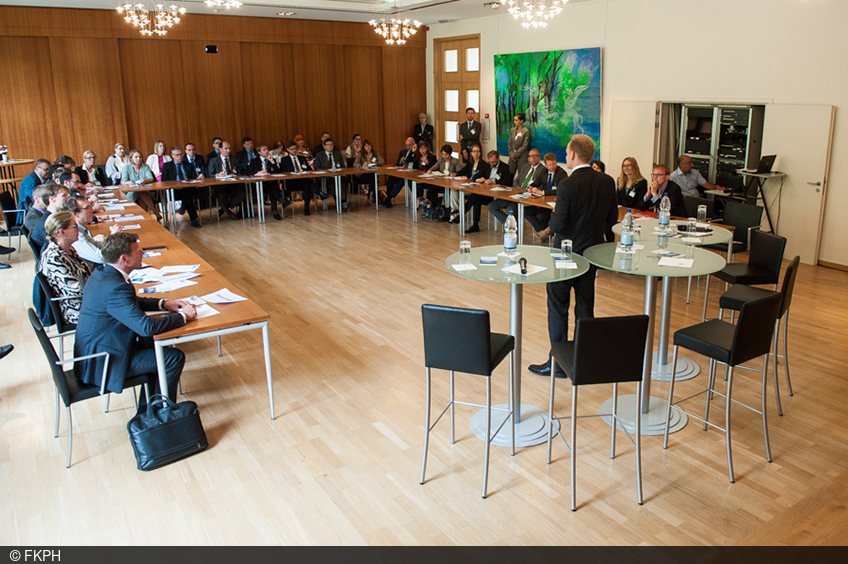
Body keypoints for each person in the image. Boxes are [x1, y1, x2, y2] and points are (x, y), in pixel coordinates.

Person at [73, 232, 197, 414]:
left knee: (158, 351)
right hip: (104, 361)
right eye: (138, 251)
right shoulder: (116, 287)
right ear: (124, 258)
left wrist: (163, 303)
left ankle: (150, 410)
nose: (142, 254)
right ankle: (162, 414)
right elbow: (146, 328)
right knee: (172, 357)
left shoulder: (102, 274)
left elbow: (129, 302)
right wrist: (183, 317)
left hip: (96, 352)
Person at [527, 134, 617, 377]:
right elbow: (612, 219)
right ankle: (583, 359)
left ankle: (557, 364)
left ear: (573, 155)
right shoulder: (607, 181)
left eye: (567, 153)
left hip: (565, 255)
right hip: (592, 254)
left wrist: (556, 214)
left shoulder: (567, 185)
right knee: (585, 307)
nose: (566, 157)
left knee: (558, 307)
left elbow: (559, 223)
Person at [38, 211, 91, 325]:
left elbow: (86, 274)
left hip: (87, 299)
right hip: (76, 308)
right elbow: (77, 288)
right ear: (62, 232)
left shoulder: (68, 249)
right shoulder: (53, 258)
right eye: (75, 226)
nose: (79, 230)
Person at [488, 148, 544, 224]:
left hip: (528, 197)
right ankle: (509, 224)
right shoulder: (525, 167)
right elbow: (516, 180)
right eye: (531, 156)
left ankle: (511, 227)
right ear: (528, 158)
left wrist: (529, 190)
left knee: (511, 208)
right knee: (491, 206)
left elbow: (541, 186)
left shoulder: (543, 170)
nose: (533, 158)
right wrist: (517, 187)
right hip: (516, 194)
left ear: (539, 158)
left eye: (535, 156)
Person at [65, 194, 121, 265]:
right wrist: (113, 238)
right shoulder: (76, 234)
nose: (92, 209)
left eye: (90, 206)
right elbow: (101, 258)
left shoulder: (82, 228)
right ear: (76, 214)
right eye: (87, 208)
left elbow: (96, 245)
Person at [527, 152, 568, 240]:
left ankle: (546, 233)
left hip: (553, 204)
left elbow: (560, 190)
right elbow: (536, 183)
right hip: (542, 202)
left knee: (542, 216)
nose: (553, 166)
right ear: (545, 165)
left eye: (554, 164)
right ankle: (544, 232)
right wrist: (530, 187)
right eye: (550, 165)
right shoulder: (544, 171)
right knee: (526, 211)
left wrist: (542, 192)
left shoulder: (561, 174)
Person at [280, 140, 327, 217]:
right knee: (307, 182)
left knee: (306, 185)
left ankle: (306, 208)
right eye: (292, 149)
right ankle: (319, 193)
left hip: (302, 180)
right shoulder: (284, 160)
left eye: (295, 148)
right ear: (287, 150)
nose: (294, 150)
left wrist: (304, 172)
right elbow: (284, 172)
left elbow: (309, 169)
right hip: (291, 182)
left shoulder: (301, 158)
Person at [160, 146, 202, 228]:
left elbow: (194, 177)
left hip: (188, 189)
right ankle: (192, 218)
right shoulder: (167, 166)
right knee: (188, 196)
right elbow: (164, 180)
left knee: (187, 193)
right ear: (172, 155)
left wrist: (199, 177)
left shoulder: (188, 165)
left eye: (181, 154)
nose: (180, 157)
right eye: (177, 155)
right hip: (174, 191)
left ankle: (184, 208)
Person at [455, 144, 492, 232]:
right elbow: (462, 171)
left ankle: (461, 216)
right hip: (469, 187)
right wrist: (454, 174)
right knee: (475, 198)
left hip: (480, 190)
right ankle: (474, 224)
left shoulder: (484, 165)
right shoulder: (470, 163)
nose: (476, 153)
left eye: (478, 151)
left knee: (476, 197)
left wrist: (476, 179)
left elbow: (484, 177)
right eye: (474, 151)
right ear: (471, 153)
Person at [206, 140, 246, 219]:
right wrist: (218, 175)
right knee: (221, 195)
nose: (228, 151)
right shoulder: (213, 161)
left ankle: (224, 209)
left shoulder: (234, 160)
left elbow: (240, 172)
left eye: (229, 148)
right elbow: (210, 175)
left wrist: (235, 175)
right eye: (226, 148)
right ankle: (228, 212)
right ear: (220, 149)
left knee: (242, 193)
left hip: (232, 184)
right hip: (220, 185)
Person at [254, 143, 290, 220]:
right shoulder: (254, 161)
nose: (267, 151)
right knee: (271, 187)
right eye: (264, 150)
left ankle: (276, 211)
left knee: (271, 187)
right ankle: (280, 200)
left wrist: (273, 162)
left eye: (267, 149)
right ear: (259, 152)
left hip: (270, 183)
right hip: (260, 184)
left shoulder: (271, 159)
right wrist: (258, 172)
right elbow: (248, 172)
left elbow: (278, 171)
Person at [121, 149, 160, 221]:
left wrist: (144, 180)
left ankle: (144, 219)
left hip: (146, 191)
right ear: (131, 158)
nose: (138, 159)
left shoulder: (145, 167)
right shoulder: (127, 167)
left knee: (141, 194)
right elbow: (123, 181)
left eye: (140, 157)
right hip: (131, 192)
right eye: (136, 157)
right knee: (140, 193)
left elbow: (150, 178)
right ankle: (155, 213)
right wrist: (128, 182)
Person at [30, 184, 70, 254]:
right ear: (52, 199)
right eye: (64, 195)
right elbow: (59, 247)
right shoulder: (46, 223)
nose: (68, 198)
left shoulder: (56, 217)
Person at [312, 138, 349, 211]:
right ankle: (339, 203)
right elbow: (317, 167)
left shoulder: (337, 154)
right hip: (326, 176)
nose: (330, 146)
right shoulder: (319, 155)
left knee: (343, 182)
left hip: (337, 174)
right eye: (328, 145)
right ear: (324, 146)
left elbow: (342, 166)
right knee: (332, 184)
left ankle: (343, 201)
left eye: (331, 144)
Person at [384, 138, 418, 207]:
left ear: (414, 145)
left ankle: (389, 198)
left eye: (409, 145)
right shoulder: (402, 152)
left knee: (400, 182)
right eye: (406, 145)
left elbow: (410, 160)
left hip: (411, 173)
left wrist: (412, 152)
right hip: (402, 171)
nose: (408, 147)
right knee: (391, 179)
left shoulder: (417, 153)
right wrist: (400, 162)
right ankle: (389, 198)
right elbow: (397, 164)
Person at [354, 139, 385, 204]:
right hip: (363, 174)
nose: (368, 147)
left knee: (373, 176)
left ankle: (371, 195)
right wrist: (362, 165)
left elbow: (382, 162)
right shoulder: (361, 154)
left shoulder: (374, 154)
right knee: (374, 178)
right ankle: (371, 195)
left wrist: (375, 163)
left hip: (372, 174)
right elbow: (355, 164)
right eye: (366, 146)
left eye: (369, 145)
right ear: (364, 147)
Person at [412, 141, 438, 208]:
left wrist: (428, 164)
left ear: (427, 148)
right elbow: (414, 168)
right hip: (420, 177)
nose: (422, 151)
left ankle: (427, 199)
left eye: (423, 149)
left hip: (428, 178)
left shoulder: (432, 157)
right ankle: (419, 197)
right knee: (415, 183)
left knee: (430, 185)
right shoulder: (417, 157)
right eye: (420, 149)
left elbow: (435, 169)